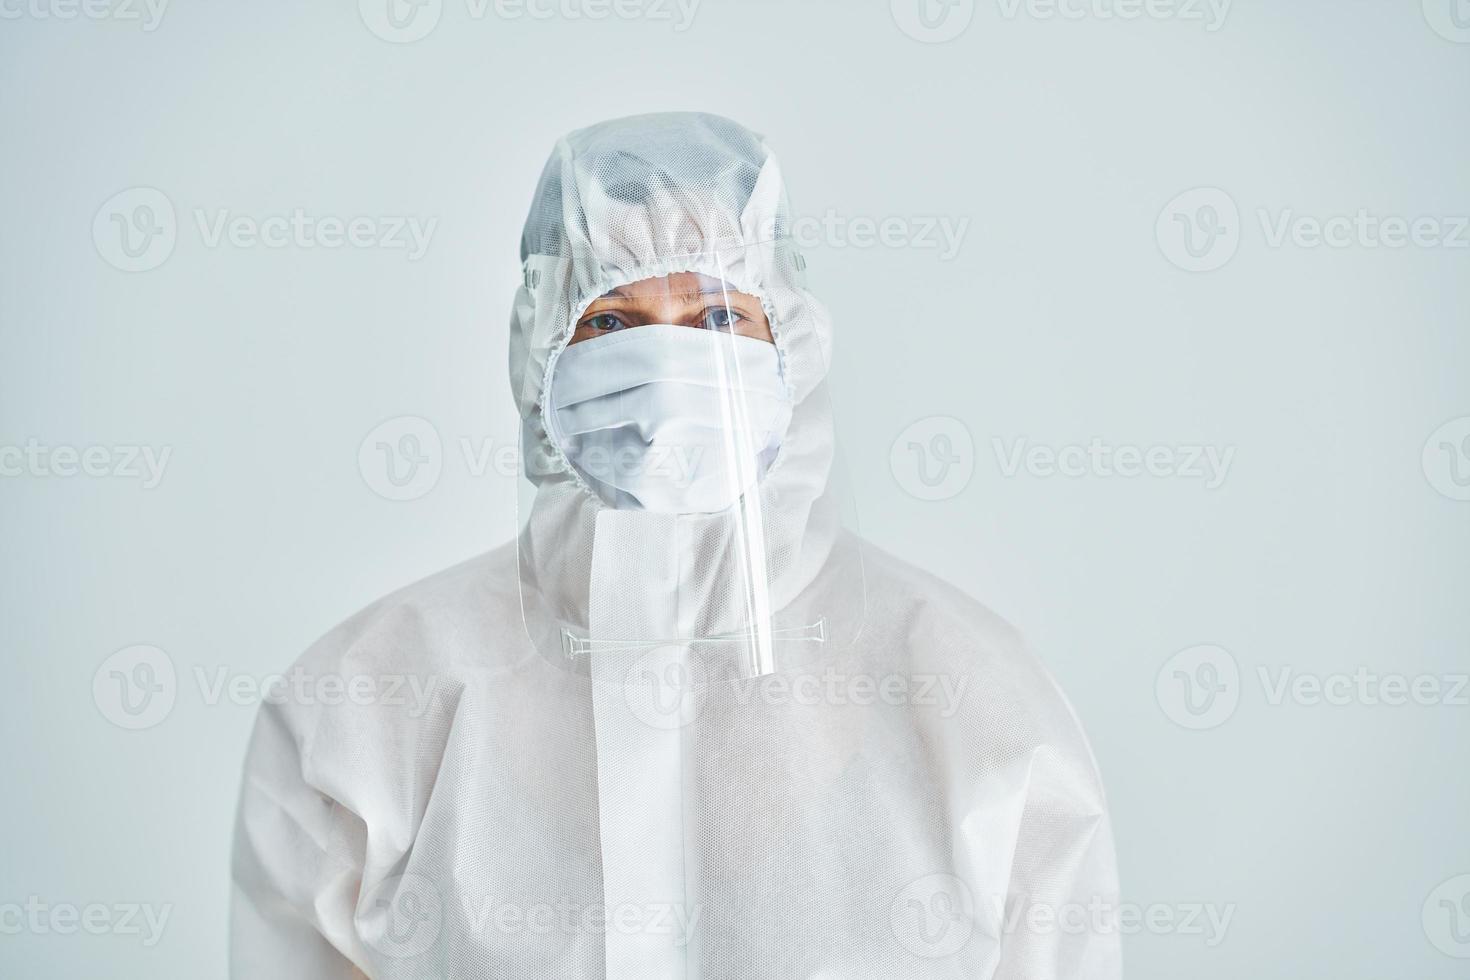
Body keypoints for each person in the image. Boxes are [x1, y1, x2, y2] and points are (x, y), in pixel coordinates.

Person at [231, 111, 1121, 979]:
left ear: (796, 341)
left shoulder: (977, 701)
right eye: (612, 322)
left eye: (720, 317)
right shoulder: (363, 710)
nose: (667, 368)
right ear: (538, 346)